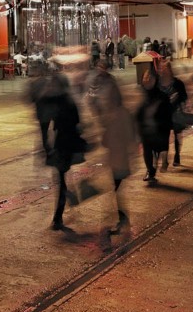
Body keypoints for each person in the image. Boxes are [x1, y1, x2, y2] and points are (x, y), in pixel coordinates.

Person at [45, 84, 91, 230]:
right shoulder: (67, 103)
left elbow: (53, 124)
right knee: (61, 179)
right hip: (64, 144)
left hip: (64, 145)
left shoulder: (62, 104)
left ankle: (58, 216)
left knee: (60, 179)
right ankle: (62, 208)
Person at [100, 94, 137, 233]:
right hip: (120, 158)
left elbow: (106, 140)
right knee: (117, 190)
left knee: (117, 190)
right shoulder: (123, 114)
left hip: (118, 159)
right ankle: (121, 218)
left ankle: (123, 219)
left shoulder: (116, 116)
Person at [137, 71, 172, 185]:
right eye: (145, 77)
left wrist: (166, 128)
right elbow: (138, 113)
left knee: (156, 151)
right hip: (145, 129)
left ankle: (157, 165)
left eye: (150, 77)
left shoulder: (162, 96)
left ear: (155, 80)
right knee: (147, 151)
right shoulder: (141, 94)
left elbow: (167, 114)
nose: (147, 79)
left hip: (158, 129)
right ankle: (150, 172)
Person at [28, 71, 69, 154]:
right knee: (57, 128)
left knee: (44, 131)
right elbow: (60, 95)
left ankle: (47, 148)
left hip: (42, 112)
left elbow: (32, 99)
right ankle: (57, 145)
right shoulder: (52, 82)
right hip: (54, 111)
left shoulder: (34, 84)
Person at [157, 62, 187, 169]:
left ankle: (177, 155)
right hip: (164, 114)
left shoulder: (178, 83)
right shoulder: (158, 83)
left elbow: (184, 97)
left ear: (170, 70)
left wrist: (178, 99)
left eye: (165, 68)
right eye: (161, 68)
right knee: (164, 137)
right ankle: (164, 160)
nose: (162, 70)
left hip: (176, 113)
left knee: (177, 135)